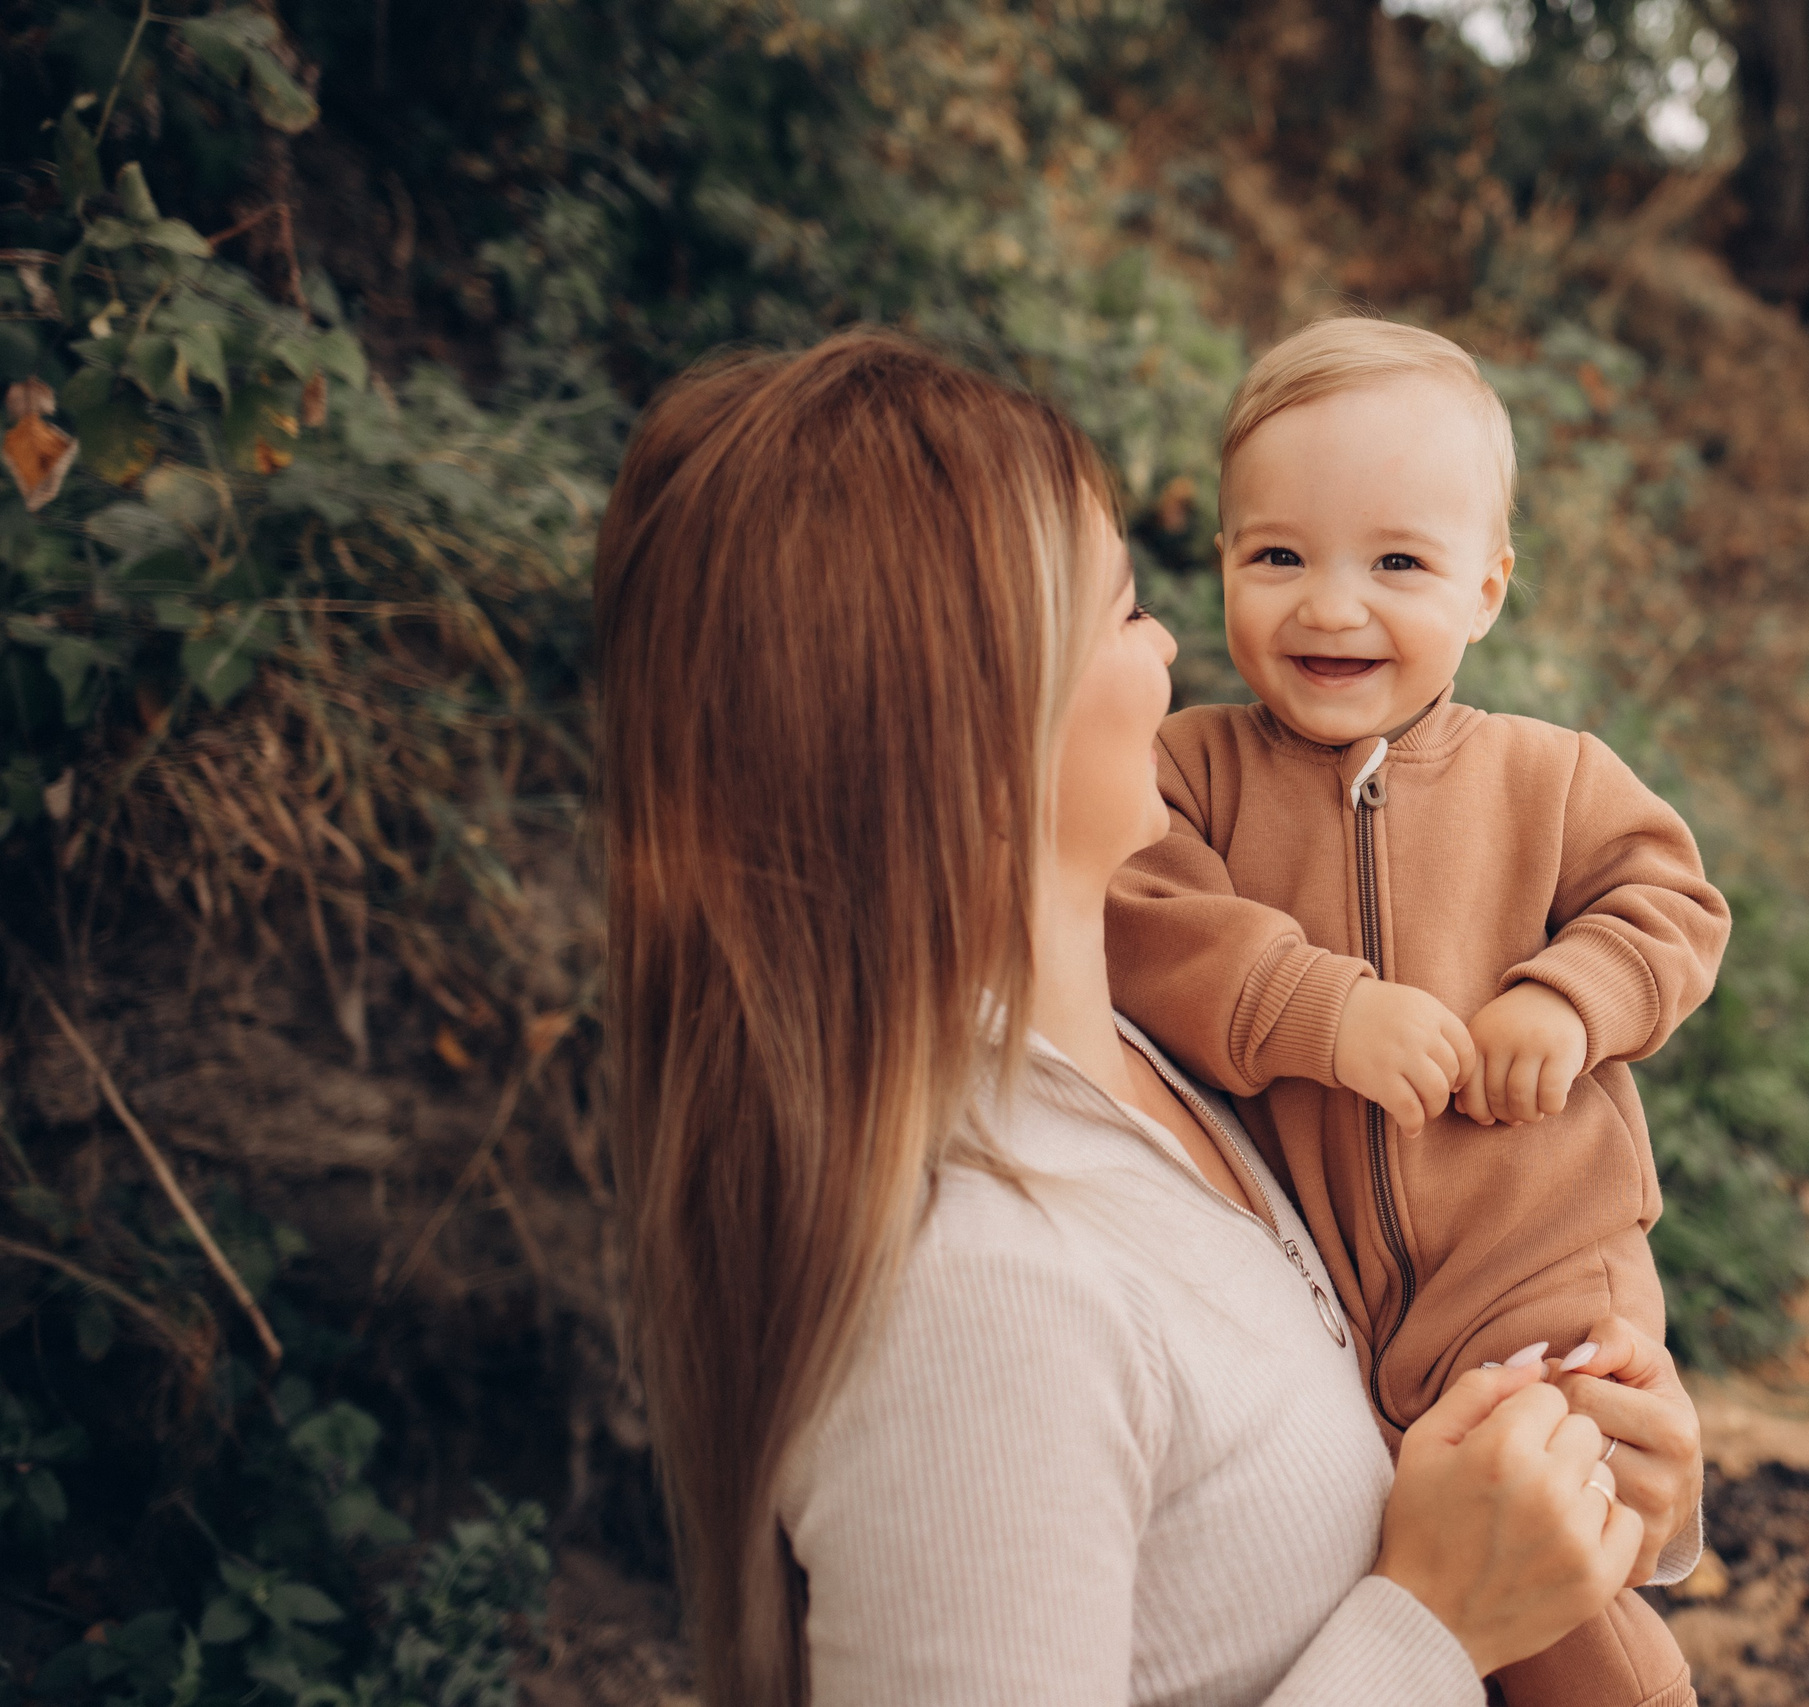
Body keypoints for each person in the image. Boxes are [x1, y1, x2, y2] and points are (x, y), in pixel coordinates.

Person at [593, 329, 1708, 1707]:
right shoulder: (982, 1296)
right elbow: (1415, 1597)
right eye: (1126, 609)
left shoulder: (1171, 1081)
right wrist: (1430, 1628)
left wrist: (1580, 1493)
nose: (1180, 646)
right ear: (973, 720)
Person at [1105, 318, 1732, 1707]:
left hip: (1539, 1282)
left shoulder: (1549, 779)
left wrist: (1569, 1005)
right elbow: (1140, 913)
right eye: (1279, 556)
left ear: (1488, 590)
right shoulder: (1189, 772)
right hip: (1330, 1304)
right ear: (1220, 568)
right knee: (1403, 1604)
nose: (1332, 606)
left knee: (1571, 1619)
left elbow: (1674, 909)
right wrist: (1319, 1010)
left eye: (1397, 563)